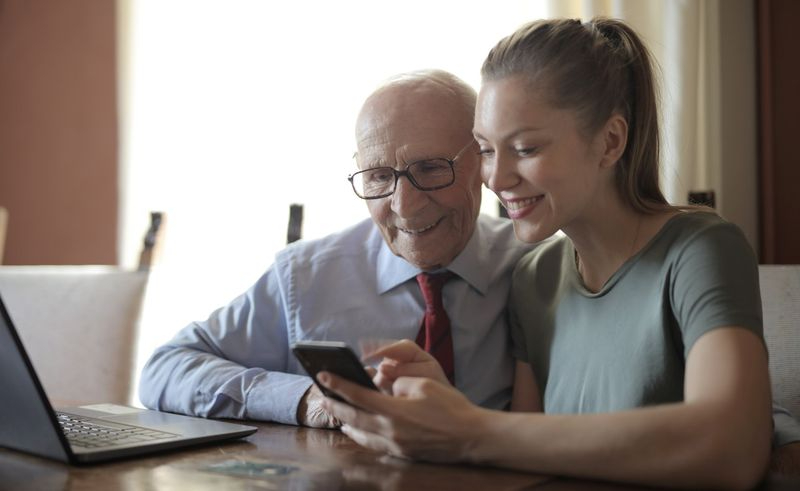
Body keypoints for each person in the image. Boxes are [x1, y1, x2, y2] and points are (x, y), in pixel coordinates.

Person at [319, 18, 775, 489]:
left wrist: (466, 428)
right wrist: (442, 406)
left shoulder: (700, 249)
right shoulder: (535, 276)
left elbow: (732, 448)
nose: (495, 179)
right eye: (486, 151)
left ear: (610, 141)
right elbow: (525, 456)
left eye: (524, 148)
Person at [138, 69, 533, 428]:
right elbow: (164, 369)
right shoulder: (305, 276)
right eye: (379, 176)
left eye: (430, 169)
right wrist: (303, 398)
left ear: (483, 161)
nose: (403, 205)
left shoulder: (538, 269)